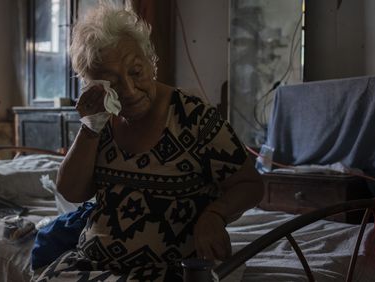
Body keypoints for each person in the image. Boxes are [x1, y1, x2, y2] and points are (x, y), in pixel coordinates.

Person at [36, 2, 263, 281]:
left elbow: (250, 184)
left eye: (135, 71)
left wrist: (215, 215)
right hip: (93, 263)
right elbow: (71, 192)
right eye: (112, 83)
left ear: (150, 60)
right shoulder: (101, 119)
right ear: (95, 86)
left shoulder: (194, 117)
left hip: (168, 269)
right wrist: (90, 128)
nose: (129, 91)